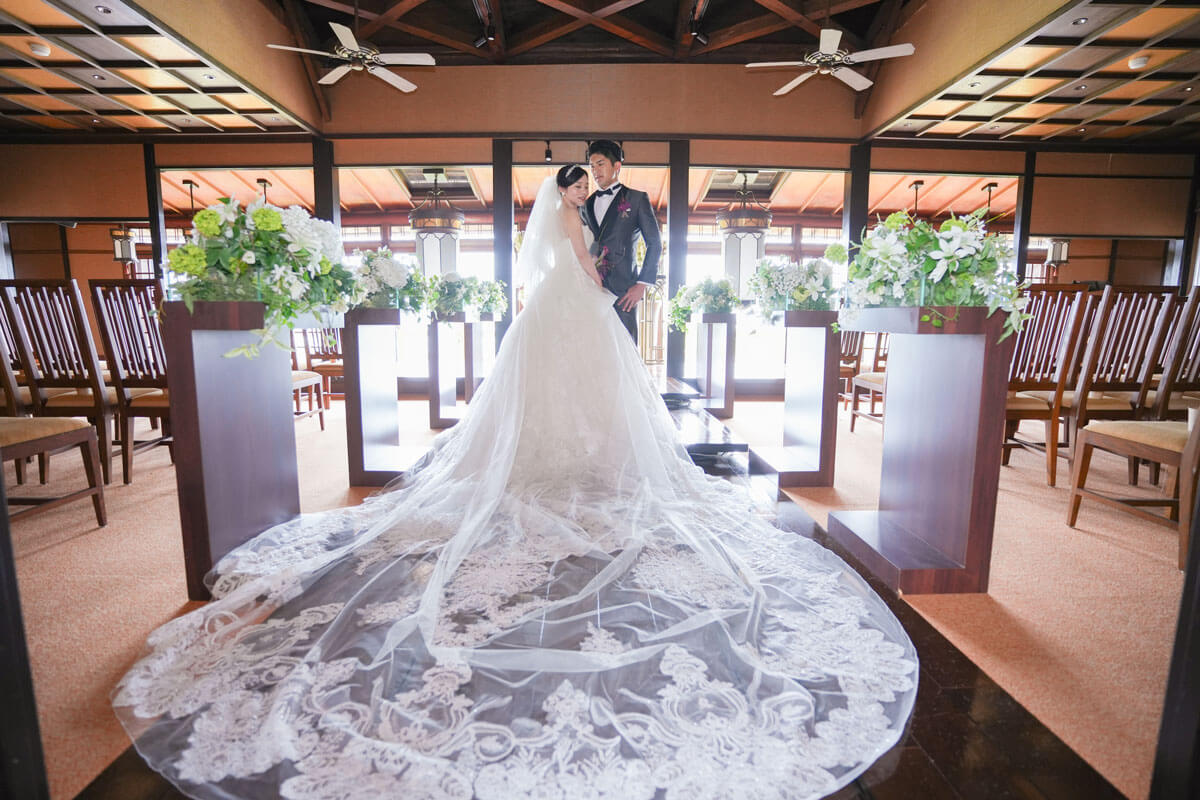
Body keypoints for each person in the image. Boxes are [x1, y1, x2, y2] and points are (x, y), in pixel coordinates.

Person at [113, 165, 918, 800]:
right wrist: (607, 293)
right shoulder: (573, 218)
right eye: (576, 182)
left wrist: (609, 286)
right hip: (577, 307)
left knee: (559, 394)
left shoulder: (593, 210)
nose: (580, 190)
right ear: (568, 188)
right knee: (581, 390)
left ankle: (569, 460)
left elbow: (579, 262)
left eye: (584, 180)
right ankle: (573, 463)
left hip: (551, 314)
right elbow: (578, 263)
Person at [583, 139, 661, 343]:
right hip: (591, 288)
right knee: (594, 349)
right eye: (592, 166)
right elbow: (589, 242)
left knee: (626, 351)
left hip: (624, 290)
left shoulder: (636, 199)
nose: (595, 171)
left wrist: (641, 285)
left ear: (617, 166)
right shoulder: (587, 203)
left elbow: (655, 243)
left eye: (600, 164)